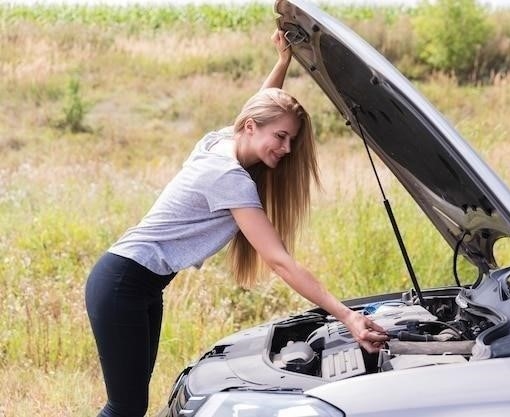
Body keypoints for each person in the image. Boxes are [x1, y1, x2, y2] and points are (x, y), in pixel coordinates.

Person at [85, 29, 388, 417]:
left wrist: (282, 63)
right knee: (125, 407)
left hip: (139, 285)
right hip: (122, 285)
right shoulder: (229, 177)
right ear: (251, 127)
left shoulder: (219, 142)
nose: (286, 149)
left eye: (291, 140)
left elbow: (260, 112)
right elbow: (280, 261)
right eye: (280, 138)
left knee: (131, 405)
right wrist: (347, 316)